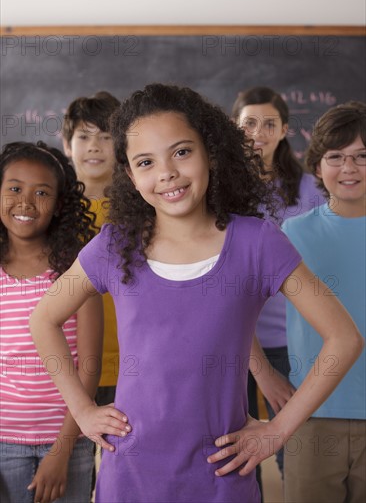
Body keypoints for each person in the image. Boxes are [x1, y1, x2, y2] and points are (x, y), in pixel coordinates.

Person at [29, 84, 363, 503]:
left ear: (210, 151)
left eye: (181, 152)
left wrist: (278, 431)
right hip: (129, 475)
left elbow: (344, 338)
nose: (166, 172)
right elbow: (43, 319)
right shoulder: (116, 245)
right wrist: (81, 410)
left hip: (221, 477)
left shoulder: (256, 242)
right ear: (131, 176)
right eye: (146, 162)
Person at [231, 86, 325, 487]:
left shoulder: (310, 191)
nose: (259, 132)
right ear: (235, 129)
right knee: (235, 455)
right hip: (232, 344)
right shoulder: (221, 191)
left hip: (294, 340)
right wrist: (261, 370)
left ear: (284, 129)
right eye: (249, 123)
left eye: (270, 123)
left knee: (295, 454)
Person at [0, 141, 103, 503]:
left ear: (59, 205)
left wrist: (61, 451)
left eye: (41, 192)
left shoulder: (76, 273)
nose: (25, 202)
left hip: (68, 442)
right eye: (14, 188)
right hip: (3, 443)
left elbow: (89, 369)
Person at [282, 101, 366, 503]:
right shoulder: (292, 232)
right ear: (317, 166)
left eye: (363, 156)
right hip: (312, 414)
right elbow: (236, 306)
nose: (349, 168)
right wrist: (262, 372)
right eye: (336, 156)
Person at [62, 91, 120, 407]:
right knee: (78, 455)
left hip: (131, 365)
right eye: (84, 136)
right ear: (67, 144)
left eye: (106, 136)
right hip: (69, 367)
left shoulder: (141, 210)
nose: (95, 146)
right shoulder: (53, 210)